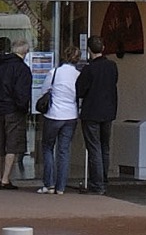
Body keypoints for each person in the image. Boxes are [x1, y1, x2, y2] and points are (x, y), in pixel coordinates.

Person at [0, 38, 31, 190]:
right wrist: (23, 108)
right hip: (12, 111)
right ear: (25, 52)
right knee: (11, 145)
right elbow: (22, 93)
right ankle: (5, 179)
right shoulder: (22, 69)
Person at [36, 45, 82, 193]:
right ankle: (61, 187)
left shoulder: (54, 72)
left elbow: (44, 91)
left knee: (48, 147)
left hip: (54, 114)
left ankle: (48, 184)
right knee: (64, 150)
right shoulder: (78, 75)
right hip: (71, 116)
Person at [78, 36, 121, 194]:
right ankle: (103, 180)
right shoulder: (112, 66)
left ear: (89, 50)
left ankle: (97, 184)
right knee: (105, 147)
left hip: (92, 111)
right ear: (103, 48)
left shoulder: (88, 69)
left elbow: (81, 90)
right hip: (108, 111)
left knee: (94, 148)